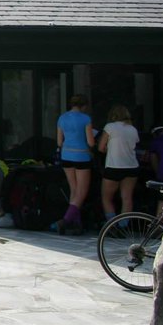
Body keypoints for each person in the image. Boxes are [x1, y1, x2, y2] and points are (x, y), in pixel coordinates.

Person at [56, 94, 96, 233]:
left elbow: (59, 142)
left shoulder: (62, 118)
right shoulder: (85, 119)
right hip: (82, 155)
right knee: (82, 191)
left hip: (66, 155)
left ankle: (76, 223)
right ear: (84, 106)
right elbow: (91, 142)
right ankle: (66, 220)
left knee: (73, 189)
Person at [99, 104, 140, 224]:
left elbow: (101, 147)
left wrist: (110, 149)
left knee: (107, 198)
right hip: (132, 166)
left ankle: (112, 226)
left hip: (114, 166)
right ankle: (124, 226)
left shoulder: (110, 127)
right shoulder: (133, 129)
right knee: (127, 198)